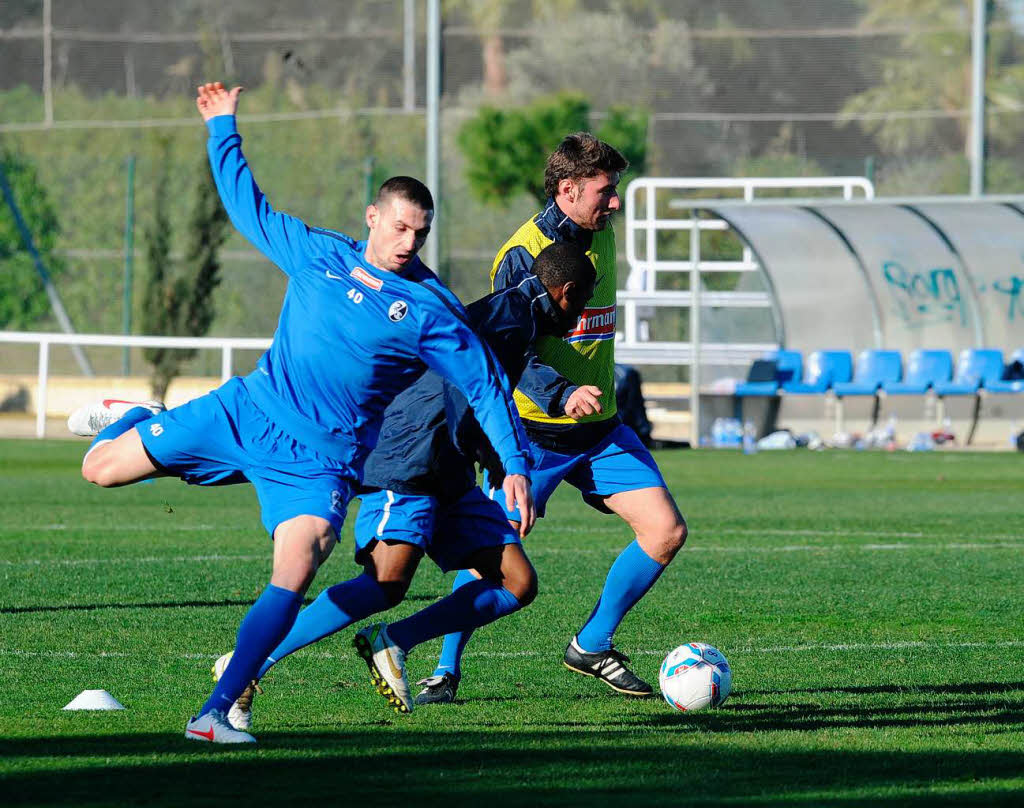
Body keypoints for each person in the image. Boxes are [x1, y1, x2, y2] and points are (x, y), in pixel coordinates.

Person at [67, 81, 533, 744]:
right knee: (100, 470)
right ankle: (142, 413)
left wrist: (513, 464)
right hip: (247, 413)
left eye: (420, 233)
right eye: (399, 226)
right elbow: (246, 206)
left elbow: (486, 382)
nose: (408, 242)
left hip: (321, 462)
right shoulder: (318, 254)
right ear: (372, 217)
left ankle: (214, 713)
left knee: (302, 559)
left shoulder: (430, 310)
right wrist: (224, 128)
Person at [211, 241, 597, 720]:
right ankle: (250, 661)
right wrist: (504, 460)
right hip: (411, 454)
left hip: (450, 466)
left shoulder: (520, 319)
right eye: (582, 304)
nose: (581, 316)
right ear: (567, 292)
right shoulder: (509, 318)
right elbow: (462, 391)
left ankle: (393, 641)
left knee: (517, 583)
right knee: (386, 581)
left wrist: (492, 457)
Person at [417, 133, 688, 705]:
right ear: (567, 190)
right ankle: (444, 667)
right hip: (534, 433)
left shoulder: (602, 233)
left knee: (665, 531)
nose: (615, 203)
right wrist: (562, 392)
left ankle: (590, 644)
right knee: (495, 549)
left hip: (602, 430)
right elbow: (505, 345)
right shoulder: (525, 252)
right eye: (605, 191)